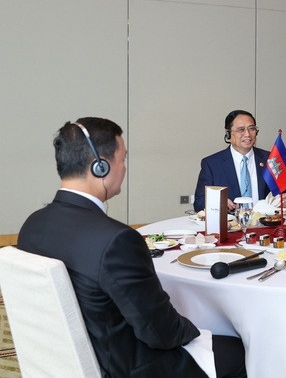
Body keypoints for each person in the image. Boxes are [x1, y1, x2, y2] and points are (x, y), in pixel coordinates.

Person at [18, 117, 247, 378]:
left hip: (62, 357)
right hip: (129, 367)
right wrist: (200, 329)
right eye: (122, 159)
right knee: (240, 350)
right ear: (101, 167)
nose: (124, 168)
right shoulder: (117, 240)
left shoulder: (32, 225)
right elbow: (161, 332)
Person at [193, 110, 286, 212]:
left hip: (265, 224)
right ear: (228, 133)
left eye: (252, 129)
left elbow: (285, 193)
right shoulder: (212, 164)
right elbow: (199, 202)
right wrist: (217, 202)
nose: (247, 134)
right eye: (241, 130)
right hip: (230, 225)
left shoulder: (270, 159)